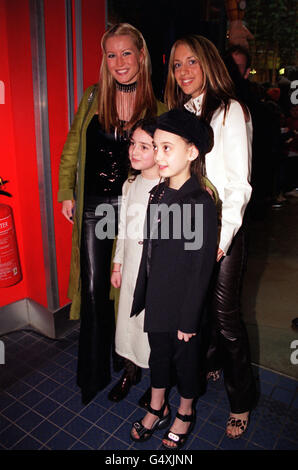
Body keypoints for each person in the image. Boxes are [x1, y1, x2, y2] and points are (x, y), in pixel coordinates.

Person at [58, 23, 166, 405]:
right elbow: (73, 145)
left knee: (132, 290)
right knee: (93, 288)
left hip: (137, 208)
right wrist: (66, 191)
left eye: (126, 53)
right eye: (111, 54)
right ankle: (92, 370)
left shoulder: (159, 105)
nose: (119, 62)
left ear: (141, 54)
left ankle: (131, 366)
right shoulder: (92, 98)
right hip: (96, 206)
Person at [164, 35, 256, 439]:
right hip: (187, 227)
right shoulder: (178, 113)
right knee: (196, 309)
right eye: (177, 65)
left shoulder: (230, 110)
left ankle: (242, 401)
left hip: (222, 229)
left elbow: (239, 184)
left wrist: (223, 238)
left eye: (191, 63)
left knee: (225, 315)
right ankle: (211, 359)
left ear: (208, 64)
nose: (183, 71)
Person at [129, 109, 218, 449]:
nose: (159, 155)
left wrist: (189, 316)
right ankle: (156, 406)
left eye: (168, 148)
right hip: (158, 298)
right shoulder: (158, 194)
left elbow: (200, 270)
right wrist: (145, 294)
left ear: (192, 152)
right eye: (157, 147)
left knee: (187, 361)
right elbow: (153, 252)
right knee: (158, 356)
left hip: (184, 306)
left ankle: (184, 410)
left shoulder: (200, 202)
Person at [108, 119, 160, 402]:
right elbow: (122, 229)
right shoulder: (131, 184)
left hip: (154, 271)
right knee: (127, 322)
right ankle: (130, 371)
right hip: (129, 267)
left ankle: (157, 382)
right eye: (132, 144)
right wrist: (117, 264)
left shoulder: (170, 187)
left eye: (144, 146)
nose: (134, 151)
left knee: (151, 326)